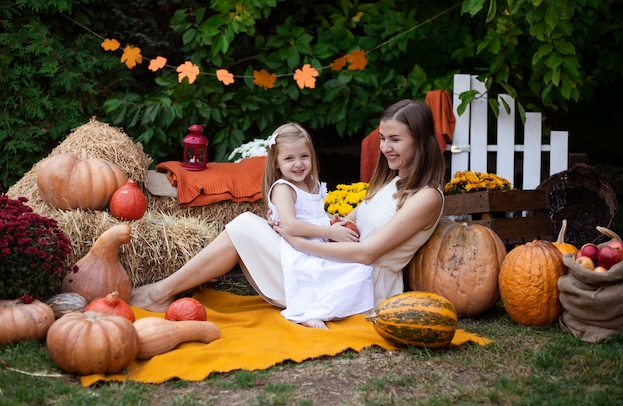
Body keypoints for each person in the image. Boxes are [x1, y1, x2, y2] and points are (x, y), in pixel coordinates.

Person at [131, 99, 445, 322]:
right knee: (252, 227)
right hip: (337, 270)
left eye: (395, 139)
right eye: (382, 139)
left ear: (420, 141)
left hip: (360, 288)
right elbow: (349, 225)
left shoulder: (426, 197)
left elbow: (367, 253)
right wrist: (306, 225)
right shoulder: (392, 184)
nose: (386, 147)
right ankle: (161, 291)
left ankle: (159, 292)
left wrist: (298, 241)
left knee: (242, 226)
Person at [261, 122, 374, 329]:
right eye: (289, 158)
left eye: (304, 156)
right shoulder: (283, 189)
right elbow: (292, 225)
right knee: (315, 274)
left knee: (359, 269)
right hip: (299, 248)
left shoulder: (309, 184)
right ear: (276, 163)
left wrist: (334, 220)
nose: (298, 164)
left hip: (318, 244)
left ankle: (338, 308)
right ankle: (308, 313)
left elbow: (314, 214)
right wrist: (329, 231)